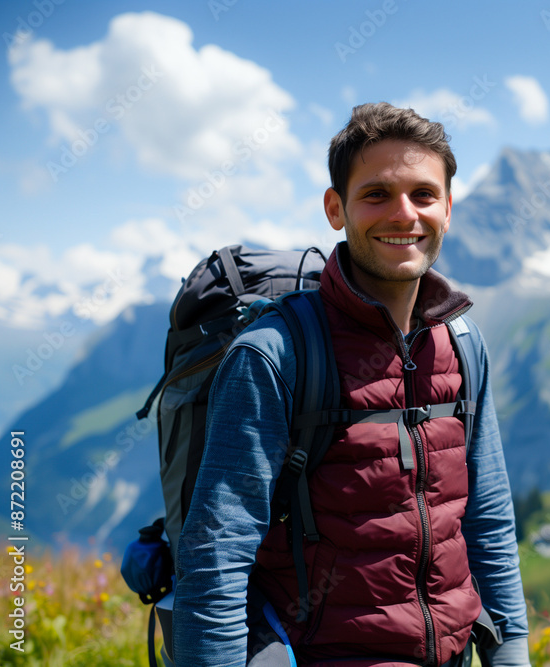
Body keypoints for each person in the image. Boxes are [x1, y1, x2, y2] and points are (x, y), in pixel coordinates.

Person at [172, 103, 530, 667]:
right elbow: (216, 556)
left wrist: (511, 652)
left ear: (448, 208)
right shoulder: (275, 354)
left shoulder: (462, 343)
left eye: (423, 194)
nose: (403, 214)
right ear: (335, 209)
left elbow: (486, 516)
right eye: (376, 195)